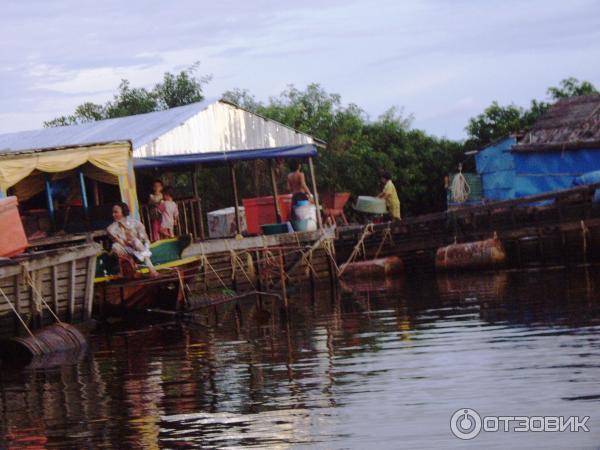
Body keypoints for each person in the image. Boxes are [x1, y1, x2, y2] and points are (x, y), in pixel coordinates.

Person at [107, 202, 159, 277]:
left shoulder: (136, 223)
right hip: (127, 250)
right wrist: (129, 244)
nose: (113, 215)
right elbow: (120, 242)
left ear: (123, 212)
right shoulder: (111, 229)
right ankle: (132, 269)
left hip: (140, 248)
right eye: (113, 212)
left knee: (136, 241)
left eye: (116, 212)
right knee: (115, 246)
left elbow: (145, 239)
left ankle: (151, 268)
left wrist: (138, 245)